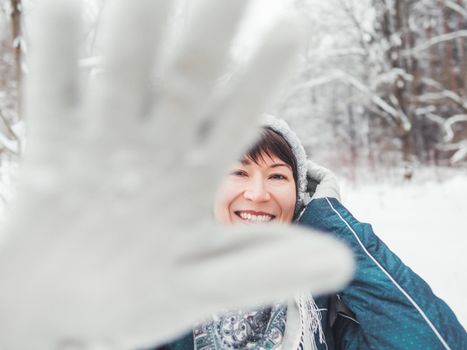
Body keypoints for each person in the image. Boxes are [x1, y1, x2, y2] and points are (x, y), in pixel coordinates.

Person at [154, 116, 466, 350]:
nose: (258, 194)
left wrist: (335, 229)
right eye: (238, 172)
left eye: (277, 176)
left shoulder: (328, 303)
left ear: (301, 195)